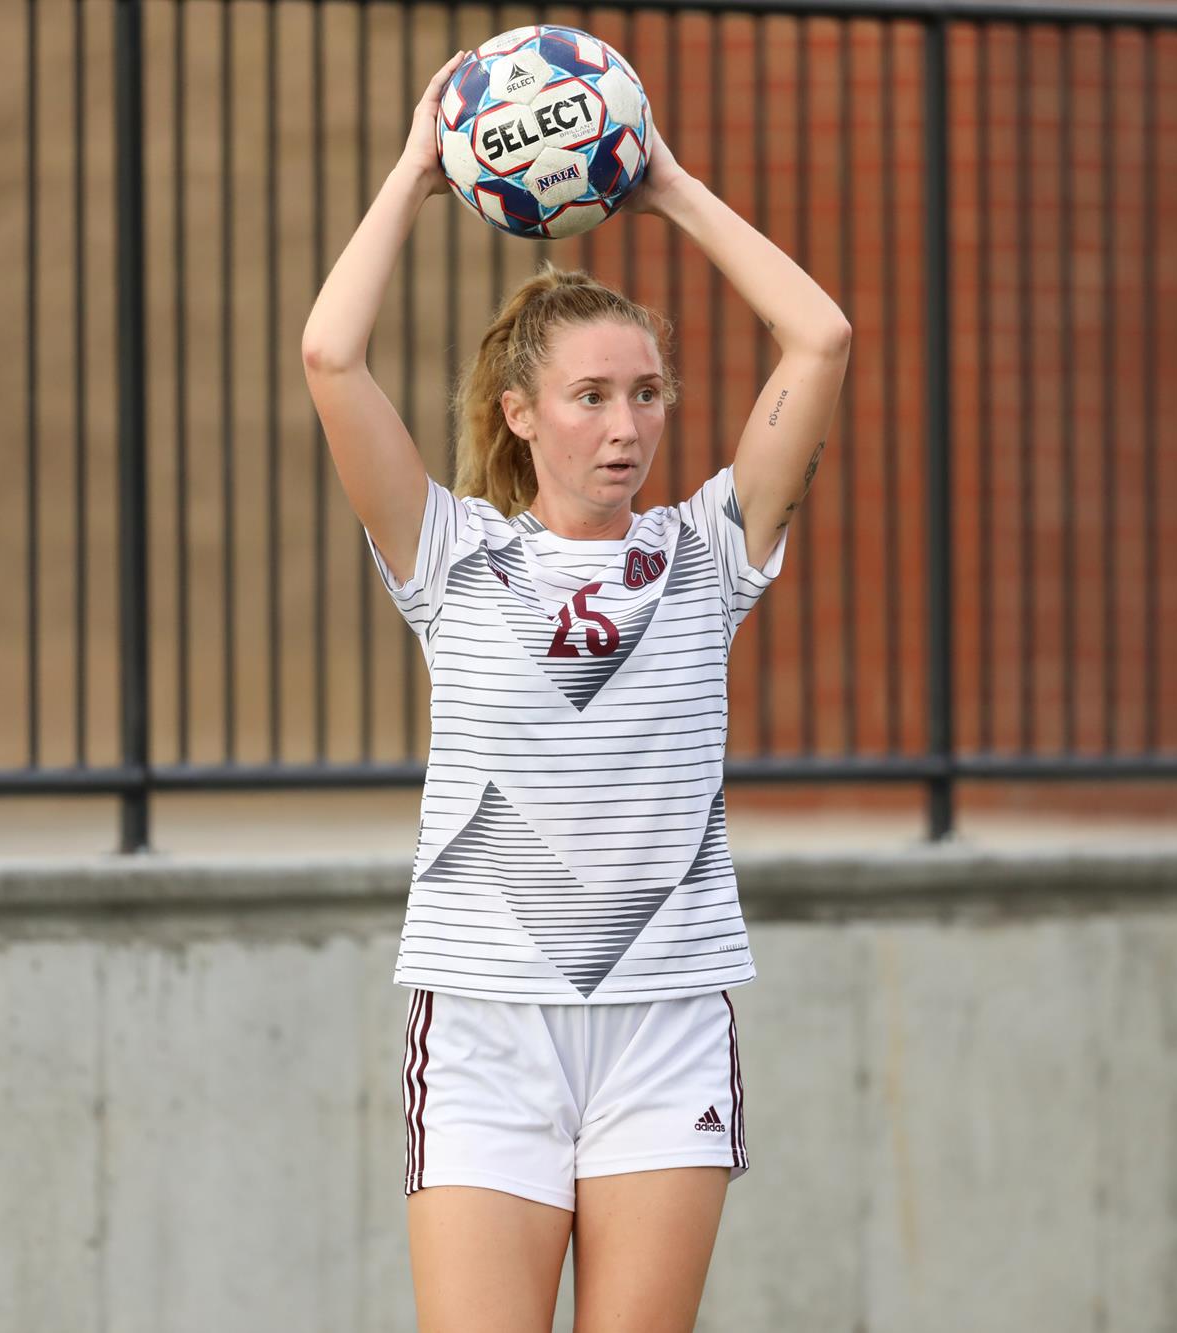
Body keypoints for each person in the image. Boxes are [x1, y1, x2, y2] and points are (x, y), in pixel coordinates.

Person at [301, 47, 851, 1333]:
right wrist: (414, 172)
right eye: (590, 396)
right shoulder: (449, 556)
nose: (625, 425)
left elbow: (818, 335)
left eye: (646, 394)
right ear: (519, 414)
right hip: (486, 1023)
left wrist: (665, 185)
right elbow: (330, 355)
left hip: (663, 1022)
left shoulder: (704, 556)